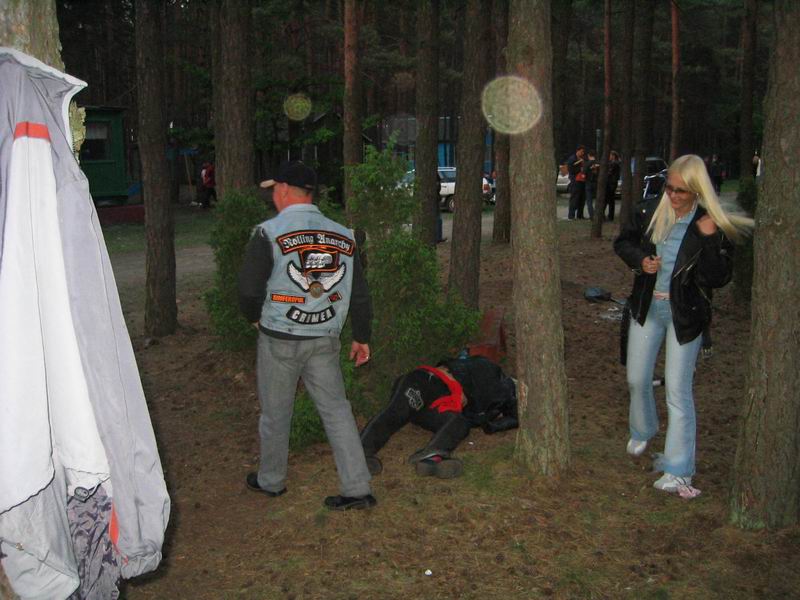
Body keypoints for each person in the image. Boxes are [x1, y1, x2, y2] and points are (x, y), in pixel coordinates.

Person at [237, 160, 376, 511]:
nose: (273, 196)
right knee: (337, 411)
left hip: (279, 339)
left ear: (284, 190)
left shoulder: (268, 233)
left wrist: (254, 318)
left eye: (274, 190)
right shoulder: (344, 235)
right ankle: (358, 488)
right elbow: (359, 292)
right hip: (324, 338)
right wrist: (361, 336)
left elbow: (248, 290)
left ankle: (271, 481)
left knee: (275, 413)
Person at [613, 154, 753, 493]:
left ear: (697, 191)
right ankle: (643, 429)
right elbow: (623, 243)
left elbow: (718, 278)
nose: (673, 195)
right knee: (636, 378)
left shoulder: (708, 222)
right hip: (647, 307)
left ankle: (679, 469)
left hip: (685, 314)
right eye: (669, 188)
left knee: (677, 391)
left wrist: (709, 239)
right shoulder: (649, 210)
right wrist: (641, 261)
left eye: (681, 191)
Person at [360, 355, 518, 478]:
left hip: (440, 404)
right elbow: (513, 414)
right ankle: (360, 454)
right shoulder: (494, 374)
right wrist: (491, 422)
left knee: (460, 422)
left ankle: (432, 457)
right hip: (428, 382)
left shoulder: (493, 396)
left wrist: (489, 423)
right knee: (396, 412)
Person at [566, 145, 587, 219]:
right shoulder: (572, 159)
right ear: (577, 151)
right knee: (574, 198)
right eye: (581, 152)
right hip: (575, 181)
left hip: (582, 181)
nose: (582, 153)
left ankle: (580, 215)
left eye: (583, 152)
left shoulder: (583, 159)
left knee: (582, 198)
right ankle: (571, 215)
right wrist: (579, 169)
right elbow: (571, 170)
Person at [582, 149, 599, 219]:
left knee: (589, 201)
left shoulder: (587, 164)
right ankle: (599, 214)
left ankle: (592, 216)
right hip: (597, 183)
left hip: (589, 183)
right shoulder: (598, 163)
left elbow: (583, 175)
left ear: (589, 155)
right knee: (598, 199)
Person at [605, 150, 621, 221]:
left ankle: (610, 216)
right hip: (613, 183)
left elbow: (609, 173)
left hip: (611, 183)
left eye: (610, 155)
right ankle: (610, 216)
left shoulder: (614, 164)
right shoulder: (615, 163)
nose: (609, 157)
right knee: (611, 200)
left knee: (609, 199)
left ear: (613, 156)